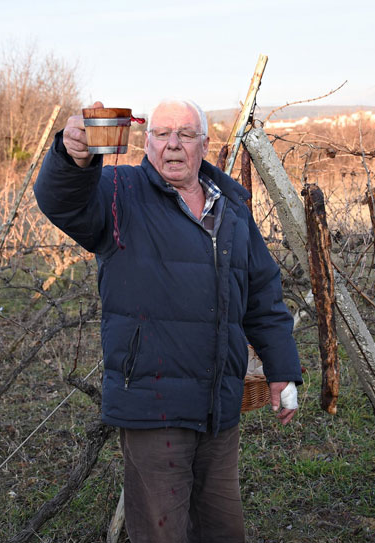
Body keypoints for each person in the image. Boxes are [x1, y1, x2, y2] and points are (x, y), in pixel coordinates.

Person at [34, 99, 302, 543]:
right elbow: (63, 202)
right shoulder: (119, 192)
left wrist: (282, 371)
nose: (172, 145)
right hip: (151, 405)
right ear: (146, 141)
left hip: (219, 405)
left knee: (221, 528)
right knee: (163, 532)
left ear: (204, 144)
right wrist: (72, 156)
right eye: (161, 134)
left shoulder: (232, 208)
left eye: (184, 134)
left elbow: (262, 295)